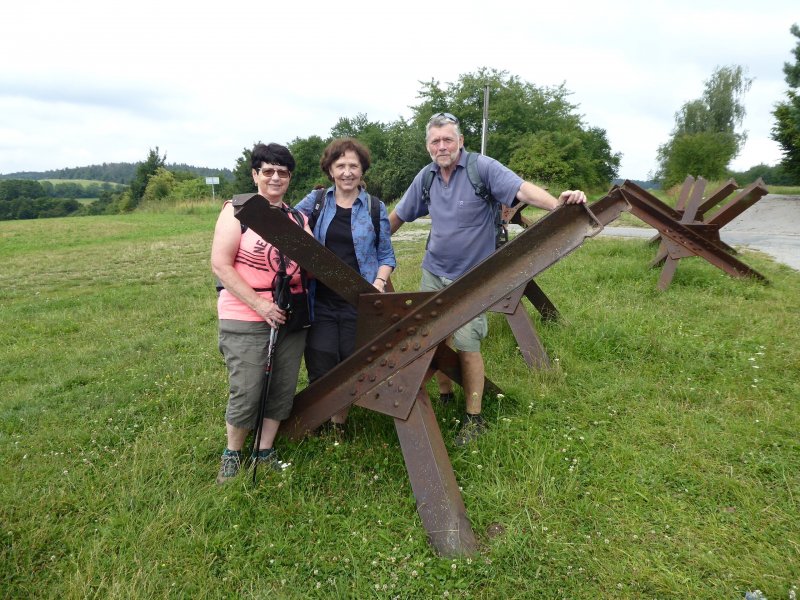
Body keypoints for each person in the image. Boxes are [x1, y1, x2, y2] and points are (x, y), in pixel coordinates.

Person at [388, 112, 587, 446]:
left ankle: (474, 417)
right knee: (431, 339)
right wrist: (371, 246)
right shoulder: (427, 178)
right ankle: (446, 395)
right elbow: (398, 216)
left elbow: (522, 189)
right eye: (435, 141)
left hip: (474, 279)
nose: (442, 146)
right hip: (433, 271)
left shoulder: (483, 169)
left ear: (460, 141)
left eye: (448, 139)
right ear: (428, 146)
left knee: (467, 343)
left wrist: (560, 206)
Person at [211, 142, 312, 483]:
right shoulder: (237, 211)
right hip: (246, 313)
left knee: (283, 385)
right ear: (255, 175)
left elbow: (312, 262)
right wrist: (260, 305)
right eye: (267, 171)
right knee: (248, 387)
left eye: (282, 173)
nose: (275, 178)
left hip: (290, 313)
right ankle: (233, 453)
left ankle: (264, 448)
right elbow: (221, 265)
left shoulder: (297, 218)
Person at [295, 138, 396, 437]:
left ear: (362, 169)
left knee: (350, 360)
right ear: (330, 170)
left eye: (354, 165)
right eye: (341, 166)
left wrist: (378, 282)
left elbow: (386, 255)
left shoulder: (375, 207)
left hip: (358, 299)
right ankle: (319, 418)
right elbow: (285, 220)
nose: (347, 172)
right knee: (320, 355)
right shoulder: (315, 201)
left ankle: (339, 422)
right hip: (321, 298)